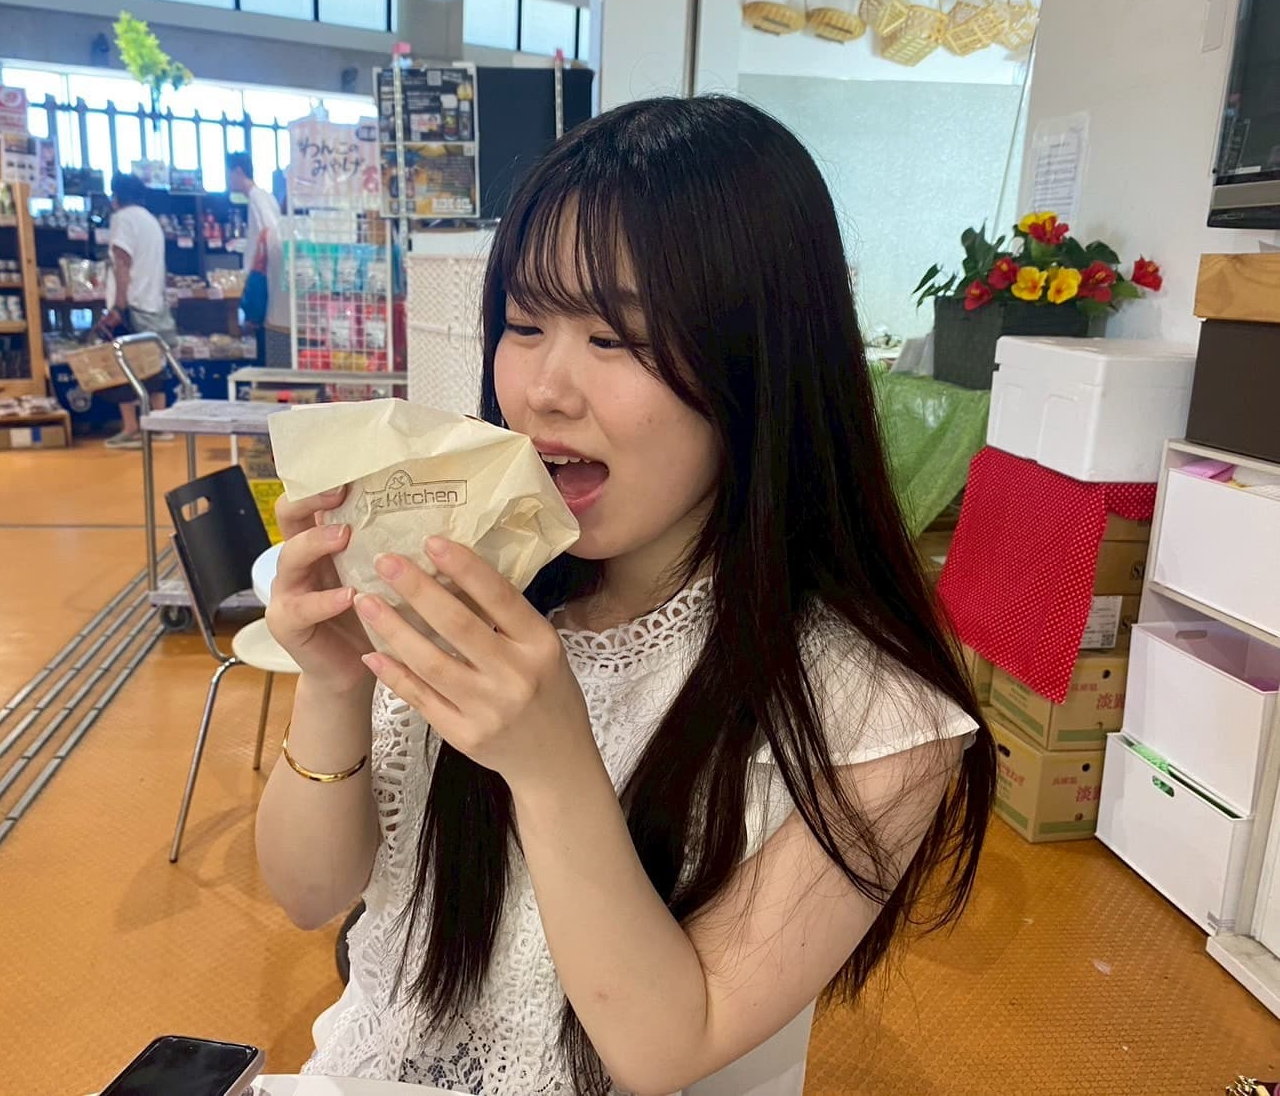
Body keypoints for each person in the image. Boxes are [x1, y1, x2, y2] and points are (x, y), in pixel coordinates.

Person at [256, 96, 994, 1096]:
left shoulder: (880, 716)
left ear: (760, 365)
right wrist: (334, 685)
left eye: (617, 338)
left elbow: (661, 1052)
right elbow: (310, 896)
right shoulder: (471, 580)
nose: (544, 390)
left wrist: (552, 765)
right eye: (524, 325)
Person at [95, 173, 176, 449]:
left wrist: (118, 306)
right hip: (153, 302)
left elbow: (122, 264)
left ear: (116, 196)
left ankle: (131, 427)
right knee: (153, 365)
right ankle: (161, 424)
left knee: (124, 366)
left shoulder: (123, 219)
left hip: (131, 304)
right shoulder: (151, 221)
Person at [225, 152, 292, 368]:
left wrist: (255, 261)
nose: (228, 180)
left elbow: (271, 235)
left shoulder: (257, 197)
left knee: (266, 348)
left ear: (238, 171)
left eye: (228, 174)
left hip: (267, 285)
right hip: (273, 285)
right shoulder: (263, 196)